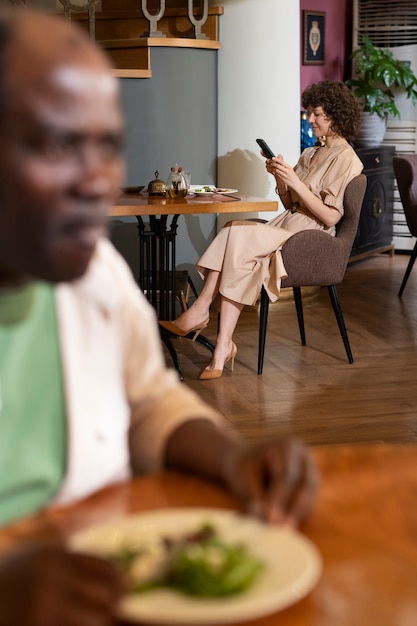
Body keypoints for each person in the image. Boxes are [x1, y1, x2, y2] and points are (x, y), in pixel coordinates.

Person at [0, 9, 318, 626]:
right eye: (58, 143)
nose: (98, 179)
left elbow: (147, 403)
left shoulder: (98, 277)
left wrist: (232, 458)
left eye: (108, 146)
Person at [160, 81, 364, 379]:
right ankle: (222, 345)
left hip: (309, 234)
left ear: (334, 115)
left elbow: (331, 217)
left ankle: (201, 311)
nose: (310, 120)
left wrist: (294, 181)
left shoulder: (347, 159)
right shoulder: (310, 153)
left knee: (237, 236)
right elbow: (288, 202)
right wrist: (282, 179)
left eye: (316, 114)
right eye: (309, 113)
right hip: (286, 224)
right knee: (234, 231)